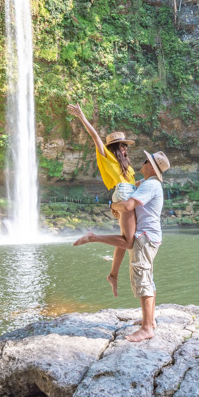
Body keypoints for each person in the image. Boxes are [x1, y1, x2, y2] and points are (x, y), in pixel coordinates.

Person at [74, 150, 170, 343]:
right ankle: (149, 320)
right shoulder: (148, 184)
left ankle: (147, 328)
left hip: (144, 238)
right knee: (147, 277)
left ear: (152, 167)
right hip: (149, 237)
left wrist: (113, 205)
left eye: (145, 161)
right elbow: (129, 186)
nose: (141, 164)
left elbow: (127, 206)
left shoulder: (151, 184)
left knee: (142, 278)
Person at [67, 102, 136, 296]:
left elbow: (134, 184)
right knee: (129, 242)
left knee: (124, 240)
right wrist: (81, 115)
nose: (125, 148)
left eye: (125, 146)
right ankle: (92, 237)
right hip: (123, 194)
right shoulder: (109, 157)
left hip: (128, 194)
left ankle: (113, 275)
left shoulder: (128, 167)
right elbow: (95, 137)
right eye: (123, 146)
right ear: (116, 147)